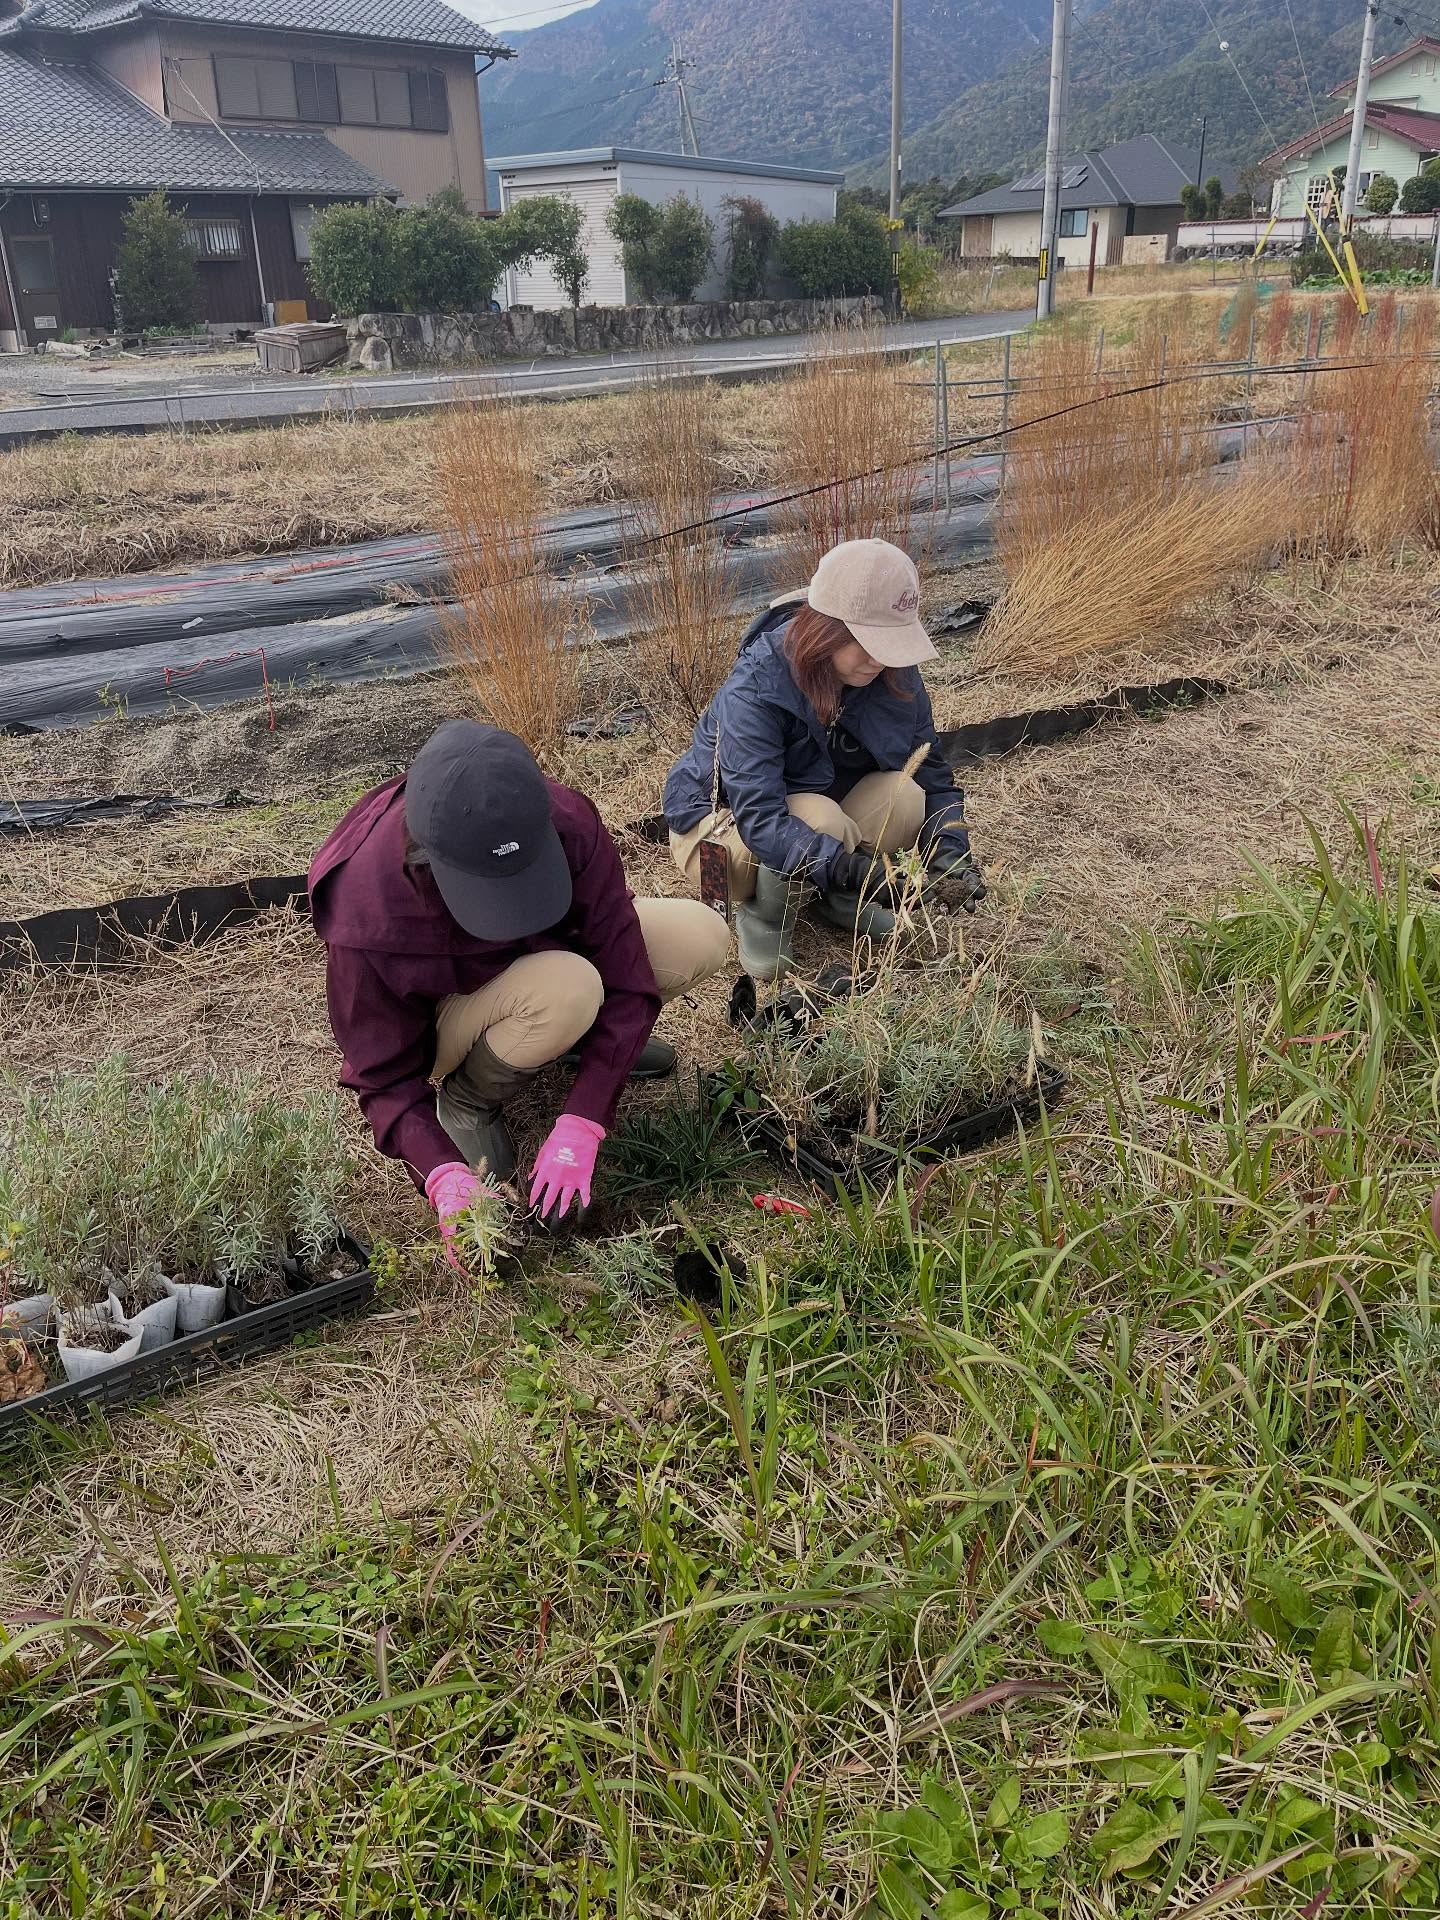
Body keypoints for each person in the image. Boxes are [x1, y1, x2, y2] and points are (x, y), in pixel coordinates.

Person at [310, 719, 731, 1256]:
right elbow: (382, 1077)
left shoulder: (565, 820)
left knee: (699, 935)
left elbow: (626, 970)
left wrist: (586, 1116)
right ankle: (467, 1101)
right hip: (450, 1019)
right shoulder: (366, 902)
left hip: (545, 973)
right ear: (427, 860)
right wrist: (441, 1172)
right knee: (570, 986)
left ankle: (576, 1043)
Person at [664, 537, 984, 979]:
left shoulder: (894, 672)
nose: (880, 659)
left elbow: (931, 776)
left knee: (906, 795)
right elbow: (760, 817)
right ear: (826, 630)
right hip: (723, 831)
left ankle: (835, 898)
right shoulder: (756, 686)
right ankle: (766, 916)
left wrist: (950, 851)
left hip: (820, 818)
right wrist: (849, 867)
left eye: (891, 644)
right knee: (819, 818)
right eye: (868, 642)